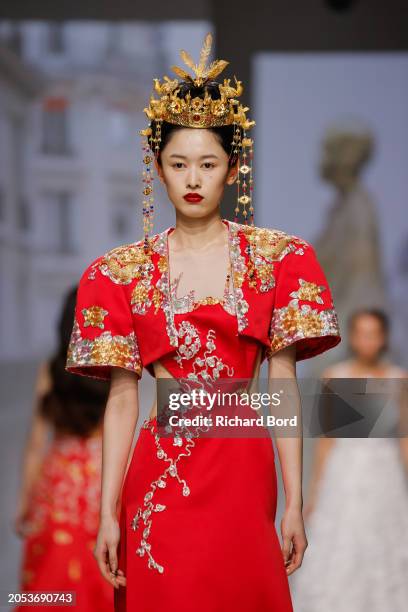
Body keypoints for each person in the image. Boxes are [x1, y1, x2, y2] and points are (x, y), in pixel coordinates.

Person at [65, 33, 341, 612]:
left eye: (208, 163)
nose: (193, 178)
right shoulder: (119, 272)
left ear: (232, 170)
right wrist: (106, 513)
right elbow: (123, 398)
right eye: (179, 163)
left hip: (243, 472)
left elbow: (282, 388)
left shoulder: (279, 259)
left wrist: (293, 500)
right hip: (161, 473)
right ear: (159, 171)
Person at [291, 308, 408, 612]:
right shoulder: (335, 376)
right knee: (343, 542)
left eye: (374, 333)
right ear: (353, 337)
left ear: (383, 338)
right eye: (361, 333)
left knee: (386, 542)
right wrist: (314, 491)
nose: (367, 340)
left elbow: (405, 436)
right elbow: (326, 439)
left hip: (386, 474)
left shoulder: (399, 379)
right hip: (344, 473)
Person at [13, 286, 113, 612]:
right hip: (101, 480)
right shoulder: (112, 371)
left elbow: (35, 444)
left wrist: (25, 501)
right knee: (102, 575)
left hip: (58, 484)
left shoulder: (52, 369)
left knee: (52, 576)